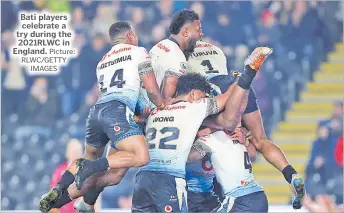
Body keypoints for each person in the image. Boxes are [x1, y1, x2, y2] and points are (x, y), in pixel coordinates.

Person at [39, 21, 166, 213]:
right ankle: (92, 166)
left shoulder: (103, 61)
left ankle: (59, 195)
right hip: (117, 112)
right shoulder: (139, 52)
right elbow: (152, 90)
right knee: (140, 156)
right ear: (130, 36)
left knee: (111, 174)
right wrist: (163, 104)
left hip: (96, 113)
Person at [131, 47, 272, 212]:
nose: (205, 99)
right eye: (203, 96)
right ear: (192, 95)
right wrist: (242, 79)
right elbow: (228, 110)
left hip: (143, 179)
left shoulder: (156, 110)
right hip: (170, 181)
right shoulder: (192, 108)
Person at [186, 41, 306, 209]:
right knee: (260, 140)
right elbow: (252, 152)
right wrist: (245, 138)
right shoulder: (219, 57)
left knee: (219, 125)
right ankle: (290, 173)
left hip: (208, 91)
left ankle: (247, 76)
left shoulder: (189, 77)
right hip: (238, 87)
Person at [49, 139, 83, 213]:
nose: (75, 154)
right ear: (67, 153)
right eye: (73, 151)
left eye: (78, 151)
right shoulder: (58, 172)